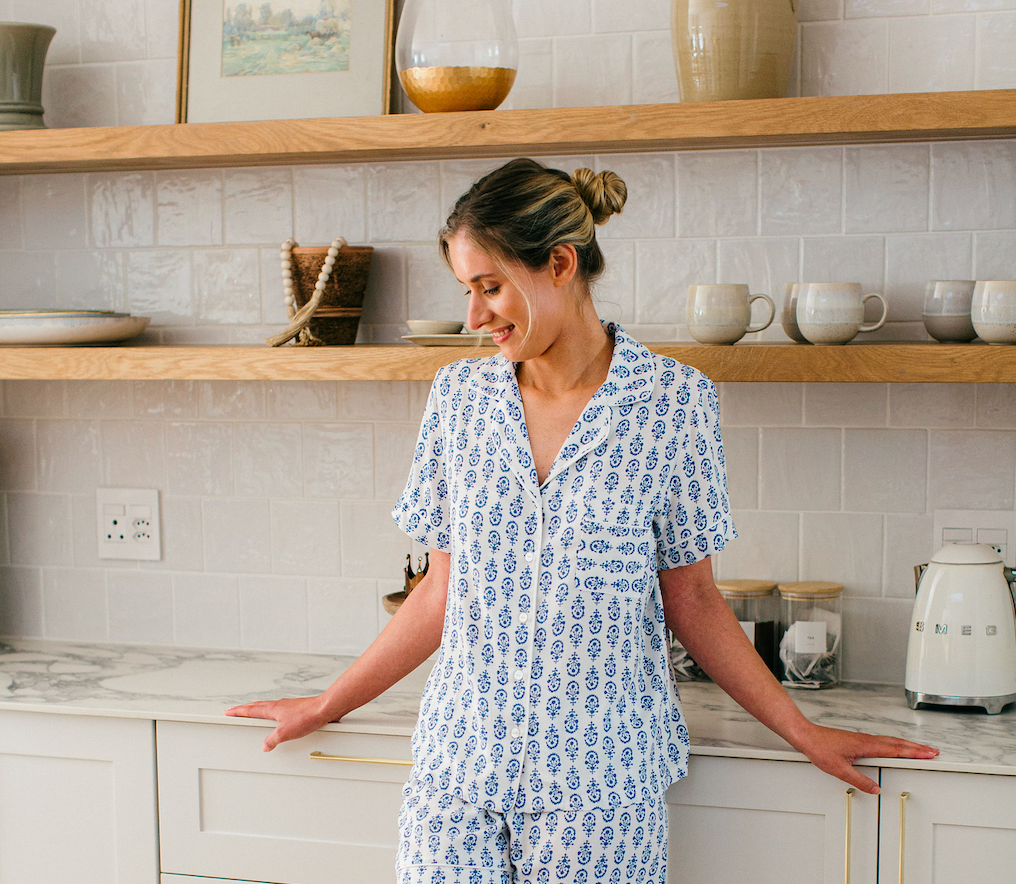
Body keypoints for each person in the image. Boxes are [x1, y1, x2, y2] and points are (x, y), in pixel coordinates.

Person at [227, 158, 938, 883]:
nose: (474, 317)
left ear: (560, 263)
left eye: (490, 286)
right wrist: (327, 704)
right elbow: (441, 593)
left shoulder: (673, 404)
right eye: (466, 291)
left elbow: (691, 599)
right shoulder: (458, 400)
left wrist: (803, 731)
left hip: (600, 791)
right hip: (455, 777)